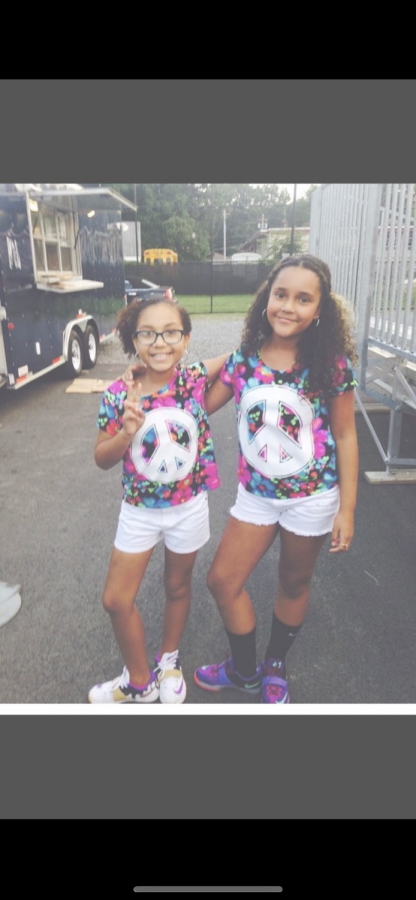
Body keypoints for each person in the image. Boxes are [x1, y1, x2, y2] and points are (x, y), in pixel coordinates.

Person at [194, 254, 359, 703]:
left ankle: (275, 666)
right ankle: (245, 671)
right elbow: (198, 405)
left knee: (293, 583)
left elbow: (345, 434)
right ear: (267, 297)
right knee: (222, 582)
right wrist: (155, 376)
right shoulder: (244, 359)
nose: (289, 306)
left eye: (304, 299)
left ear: (320, 309)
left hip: (313, 498)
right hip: (256, 496)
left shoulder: (330, 364)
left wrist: (346, 508)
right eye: (281, 294)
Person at [88, 298, 228, 704]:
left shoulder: (192, 381)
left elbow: (237, 358)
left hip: (189, 506)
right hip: (139, 512)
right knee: (116, 599)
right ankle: (139, 680)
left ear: (185, 340)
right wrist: (125, 432)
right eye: (147, 333)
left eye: (171, 332)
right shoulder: (119, 393)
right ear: (134, 339)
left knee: (177, 585)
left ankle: (169, 659)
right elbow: (101, 458)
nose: (159, 342)